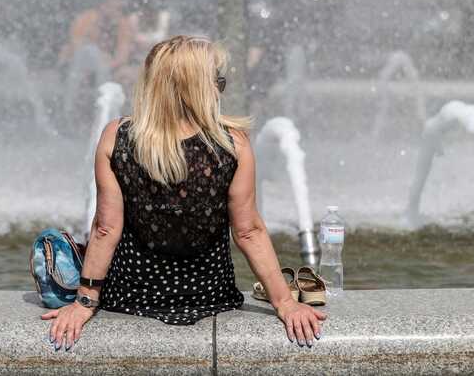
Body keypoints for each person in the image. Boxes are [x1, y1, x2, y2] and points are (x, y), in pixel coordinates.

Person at [41, 35, 326, 349]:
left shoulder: (116, 137)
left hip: (130, 295)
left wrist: (84, 303)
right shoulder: (233, 145)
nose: (220, 89)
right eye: (217, 81)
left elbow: (106, 228)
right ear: (199, 89)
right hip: (210, 296)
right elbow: (247, 232)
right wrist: (285, 303)